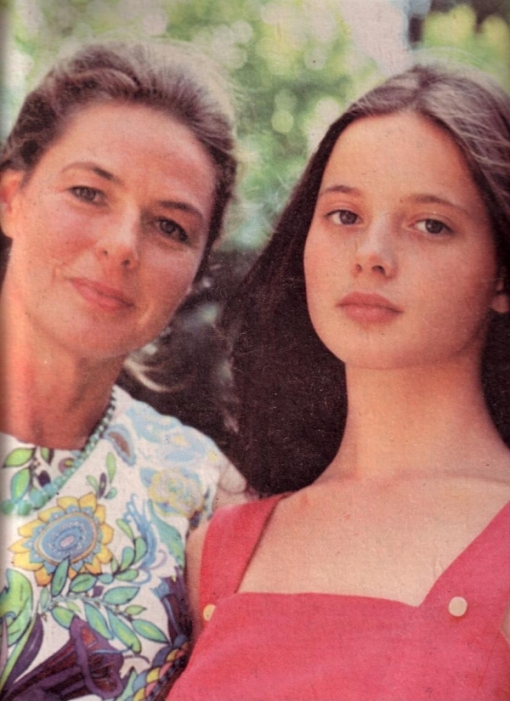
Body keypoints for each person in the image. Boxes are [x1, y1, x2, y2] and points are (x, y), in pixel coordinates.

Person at [168, 63, 510, 701]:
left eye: (430, 224)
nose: (371, 253)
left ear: (501, 276)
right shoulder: (216, 553)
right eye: (345, 215)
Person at [0, 41, 243, 701]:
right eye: (88, 192)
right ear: (12, 196)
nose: (121, 244)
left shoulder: (203, 494)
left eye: (169, 226)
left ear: (197, 270)